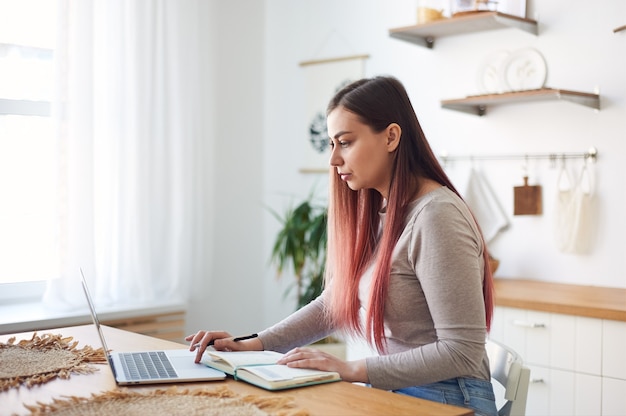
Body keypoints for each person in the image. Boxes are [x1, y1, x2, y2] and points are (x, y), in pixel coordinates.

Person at [187, 75, 498, 416]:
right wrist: (253, 344)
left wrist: (352, 369)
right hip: (399, 392)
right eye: (331, 145)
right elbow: (334, 304)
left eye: (345, 142)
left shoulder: (436, 216)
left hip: (451, 398)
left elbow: (462, 351)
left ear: (391, 137)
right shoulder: (380, 212)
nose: (333, 160)